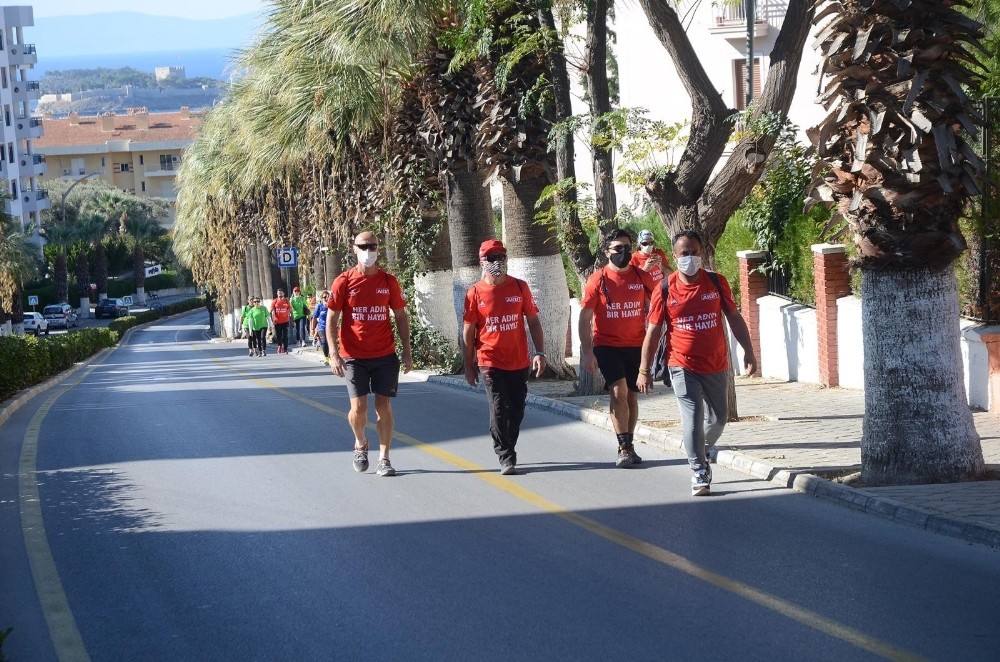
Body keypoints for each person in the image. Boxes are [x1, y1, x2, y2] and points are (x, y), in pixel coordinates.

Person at [637, 230, 758, 497]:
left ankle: (700, 450)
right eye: (684, 253)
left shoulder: (716, 282)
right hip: (681, 364)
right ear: (674, 256)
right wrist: (644, 370)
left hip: (716, 363)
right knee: (692, 418)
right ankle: (699, 470)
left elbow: (734, 317)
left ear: (701, 254)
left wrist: (748, 351)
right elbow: (653, 331)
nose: (690, 258)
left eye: (694, 252)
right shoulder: (665, 288)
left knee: (719, 418)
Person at [327, 231, 413, 477]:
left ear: (378, 248)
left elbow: (401, 316)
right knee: (358, 409)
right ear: (354, 248)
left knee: (383, 407)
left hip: (384, 355)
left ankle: (384, 458)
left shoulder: (388, 281)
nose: (368, 251)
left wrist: (407, 352)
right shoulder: (343, 282)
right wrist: (334, 353)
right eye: (363, 246)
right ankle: (360, 442)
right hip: (354, 357)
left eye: (372, 246)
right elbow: (332, 319)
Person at [463, 239, 546, 475]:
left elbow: (533, 321)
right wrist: (468, 365)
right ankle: (505, 455)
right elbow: (468, 332)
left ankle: (509, 445)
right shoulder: (474, 293)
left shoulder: (520, 287)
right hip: (489, 360)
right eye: (492, 258)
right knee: (499, 407)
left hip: (518, 360)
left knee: (517, 409)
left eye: (501, 257)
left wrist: (540, 353)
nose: (497, 262)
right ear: (482, 261)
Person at [580, 228, 656, 468]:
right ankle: (623, 447)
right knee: (618, 391)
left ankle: (629, 445)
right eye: (617, 248)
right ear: (607, 252)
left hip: (636, 345)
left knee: (632, 396)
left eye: (626, 247)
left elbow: (655, 306)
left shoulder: (641, 277)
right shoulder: (598, 279)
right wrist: (587, 352)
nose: (623, 252)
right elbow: (584, 317)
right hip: (607, 345)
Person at [270, 289, 293, 354]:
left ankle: (285, 349)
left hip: (285, 321)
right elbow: (271, 311)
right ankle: (279, 345)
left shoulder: (286, 301)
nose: (280, 294)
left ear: (283, 293)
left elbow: (290, 311)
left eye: (281, 293)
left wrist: (292, 320)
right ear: (277, 294)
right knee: (278, 335)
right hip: (277, 321)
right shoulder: (275, 301)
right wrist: (271, 320)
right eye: (279, 293)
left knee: (285, 335)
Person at [312, 290, 330, 364]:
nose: (327, 298)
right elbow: (314, 318)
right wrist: (313, 329)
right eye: (325, 297)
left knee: (329, 342)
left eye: (328, 297)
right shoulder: (319, 306)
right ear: (322, 298)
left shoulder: (331, 305)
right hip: (321, 327)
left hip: (330, 327)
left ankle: (329, 355)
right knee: (324, 341)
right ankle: (326, 357)